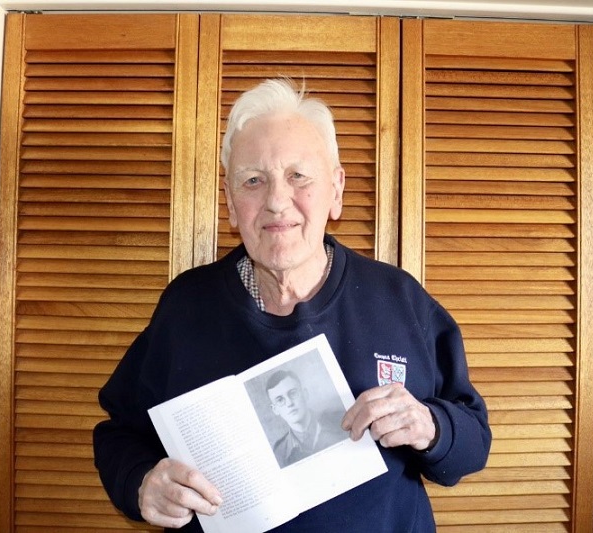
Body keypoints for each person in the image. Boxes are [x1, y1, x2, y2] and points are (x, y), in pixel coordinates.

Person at [93, 78, 491, 532]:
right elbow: (119, 434)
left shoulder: (398, 299)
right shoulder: (186, 307)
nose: (277, 201)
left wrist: (431, 426)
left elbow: (473, 440)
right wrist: (141, 481)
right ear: (230, 202)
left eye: (298, 176)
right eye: (253, 180)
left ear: (336, 190)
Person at [264, 369, 347, 467]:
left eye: (293, 393)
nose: (289, 403)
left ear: (305, 394)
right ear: (275, 409)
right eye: (280, 400)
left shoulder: (340, 422)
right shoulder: (280, 452)